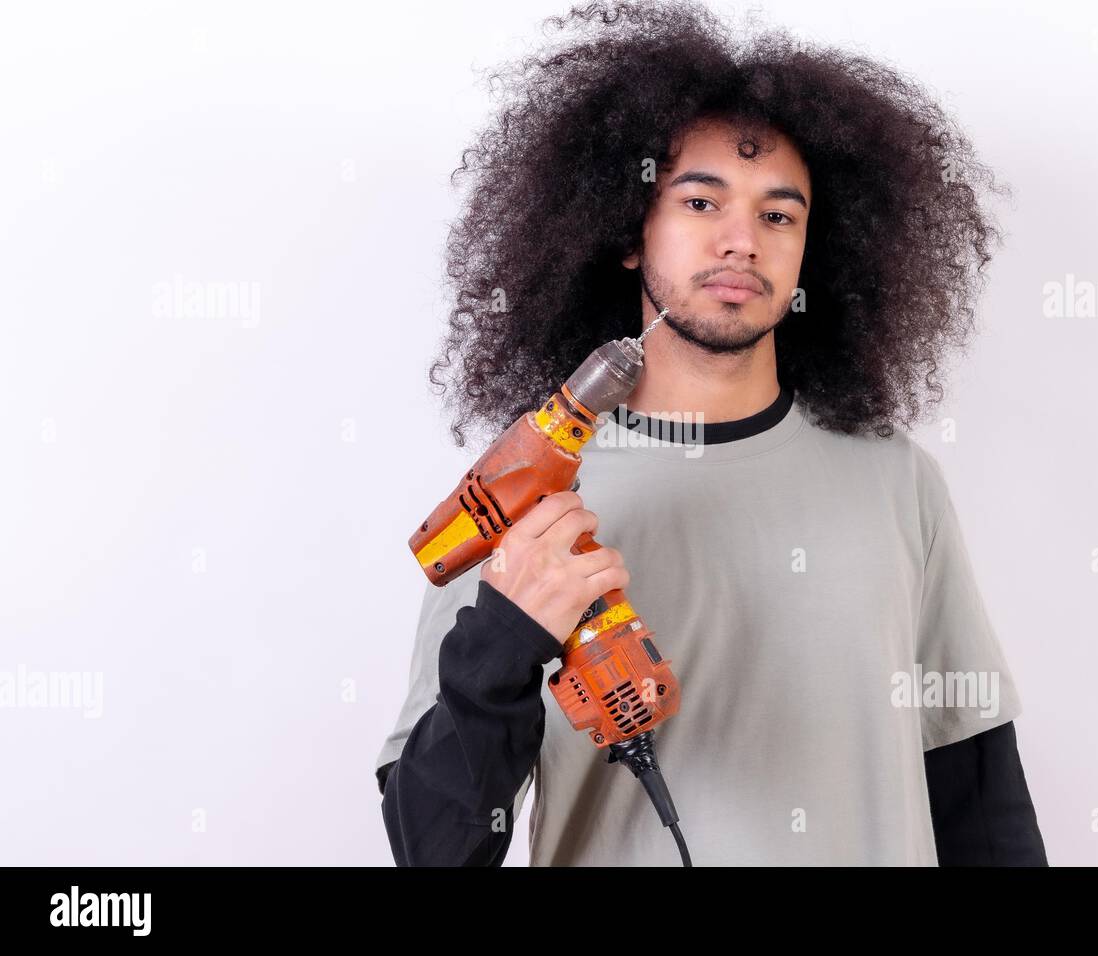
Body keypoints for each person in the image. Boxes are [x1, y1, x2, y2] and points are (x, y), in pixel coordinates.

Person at [377, 0, 1046, 866]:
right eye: (701, 201)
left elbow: (978, 796)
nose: (742, 242)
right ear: (626, 233)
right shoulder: (528, 501)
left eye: (778, 215)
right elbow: (434, 850)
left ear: (816, 250)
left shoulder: (896, 482)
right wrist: (505, 635)